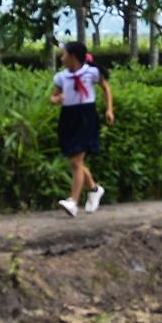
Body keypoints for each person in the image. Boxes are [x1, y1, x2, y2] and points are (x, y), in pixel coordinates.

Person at [49, 42, 114, 216]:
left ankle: (73, 202)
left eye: (64, 54)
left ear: (73, 57)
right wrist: (57, 99)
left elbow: (106, 88)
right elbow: (53, 97)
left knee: (77, 162)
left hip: (86, 117)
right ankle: (94, 189)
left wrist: (109, 109)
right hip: (68, 118)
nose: (61, 58)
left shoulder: (91, 73)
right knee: (75, 161)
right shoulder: (61, 77)